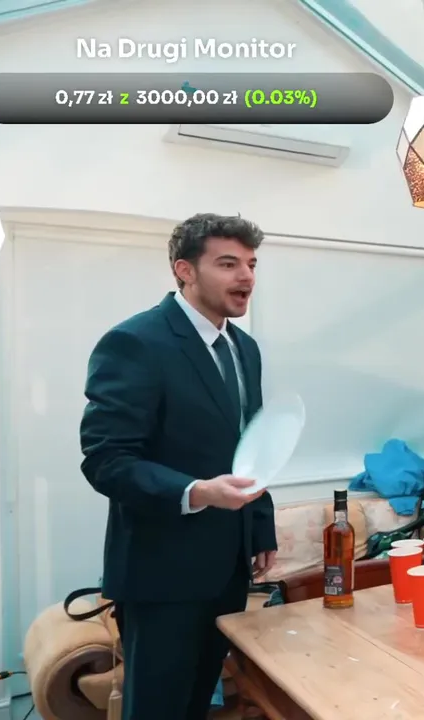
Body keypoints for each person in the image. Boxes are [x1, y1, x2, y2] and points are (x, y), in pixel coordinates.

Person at [79, 213, 276, 720]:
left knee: (196, 706)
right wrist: (197, 491)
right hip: (161, 571)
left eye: (251, 264)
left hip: (229, 567)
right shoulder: (136, 342)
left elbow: (250, 443)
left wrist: (260, 526)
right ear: (184, 270)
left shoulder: (245, 348)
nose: (246, 276)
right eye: (228, 264)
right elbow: (106, 459)